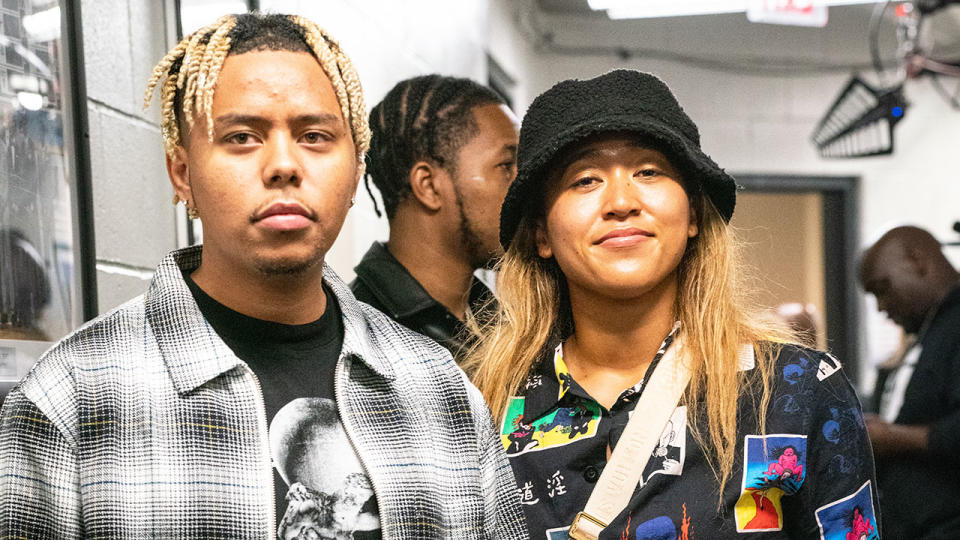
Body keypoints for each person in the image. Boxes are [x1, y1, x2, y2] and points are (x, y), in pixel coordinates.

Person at [0, 14, 526, 539]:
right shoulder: (71, 398)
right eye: (243, 137)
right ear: (182, 173)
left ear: (354, 168)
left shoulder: (439, 389)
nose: (283, 165)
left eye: (315, 136)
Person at [467, 70, 879, 539]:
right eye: (584, 180)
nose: (621, 201)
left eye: (648, 172)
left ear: (693, 216)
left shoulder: (795, 391)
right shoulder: (485, 405)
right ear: (542, 233)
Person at [351, 75, 519, 362]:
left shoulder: (496, 320)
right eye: (506, 166)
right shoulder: (360, 335)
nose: (523, 184)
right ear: (428, 186)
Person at [859, 225, 960, 538]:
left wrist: (894, 438)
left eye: (882, 288)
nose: (881, 306)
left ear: (918, 260)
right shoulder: (931, 328)